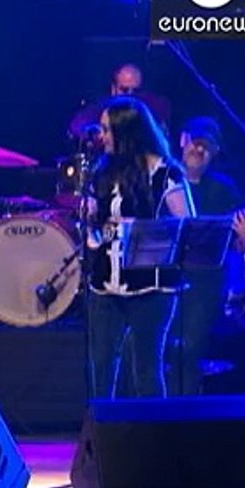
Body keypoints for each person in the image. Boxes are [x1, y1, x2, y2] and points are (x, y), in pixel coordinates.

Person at [85, 96, 195, 399]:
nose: (102, 136)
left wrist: (147, 231)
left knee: (146, 369)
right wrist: (91, 221)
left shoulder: (166, 175)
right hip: (105, 285)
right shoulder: (102, 171)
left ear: (127, 133)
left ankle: (152, 439)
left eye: (108, 130)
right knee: (101, 366)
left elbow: (188, 228)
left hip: (152, 288)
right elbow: (93, 225)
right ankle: (102, 435)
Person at [171, 117, 245, 396]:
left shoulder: (223, 188)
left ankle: (183, 415)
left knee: (189, 350)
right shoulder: (164, 179)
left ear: (215, 153)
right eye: (196, 143)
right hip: (162, 280)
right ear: (183, 140)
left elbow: (243, 247)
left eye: (207, 148)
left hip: (203, 286)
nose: (199, 151)